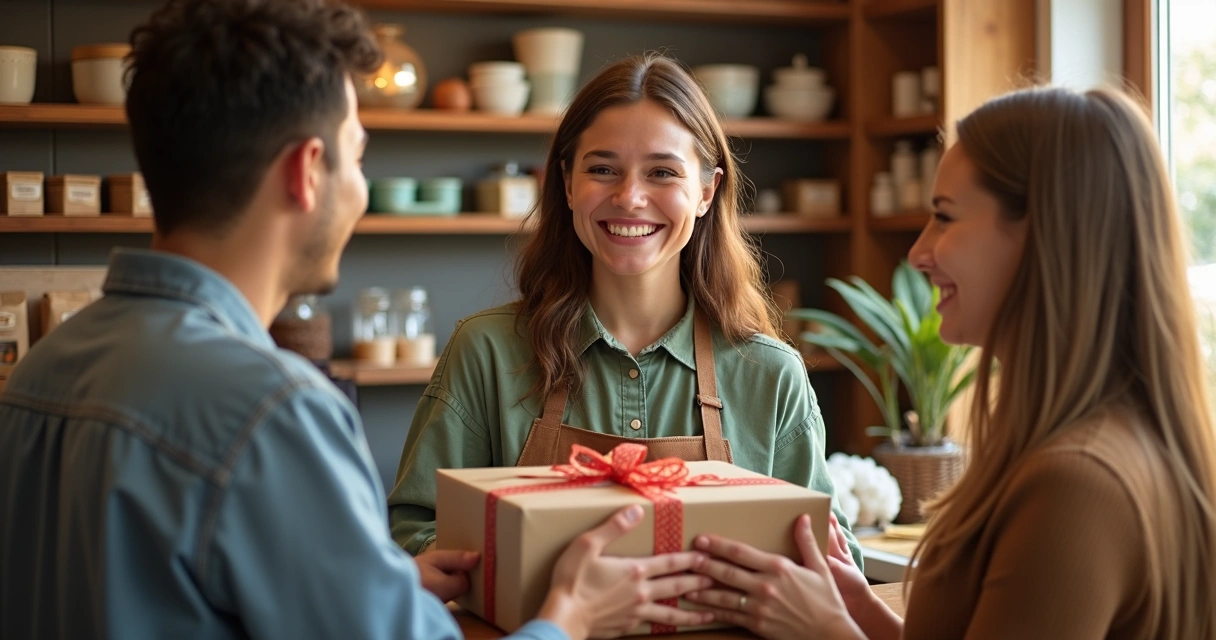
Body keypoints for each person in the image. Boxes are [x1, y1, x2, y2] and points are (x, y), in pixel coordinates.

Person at [0, 2, 717, 639]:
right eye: (358, 155)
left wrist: (387, 588)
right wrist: (569, 621)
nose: (361, 188)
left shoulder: (42, 370)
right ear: (307, 171)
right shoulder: (274, 412)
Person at [680, 84, 1216, 639]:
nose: (918, 253)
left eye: (945, 217)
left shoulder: (1078, 483)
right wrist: (858, 609)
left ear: (1042, 237)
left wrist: (823, 633)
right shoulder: (1065, 448)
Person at [387, 52, 861, 571]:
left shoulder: (770, 375)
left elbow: (836, 565)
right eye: (603, 169)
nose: (630, 197)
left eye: (662, 172)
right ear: (567, 183)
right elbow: (414, 532)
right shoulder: (486, 352)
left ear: (706, 191)